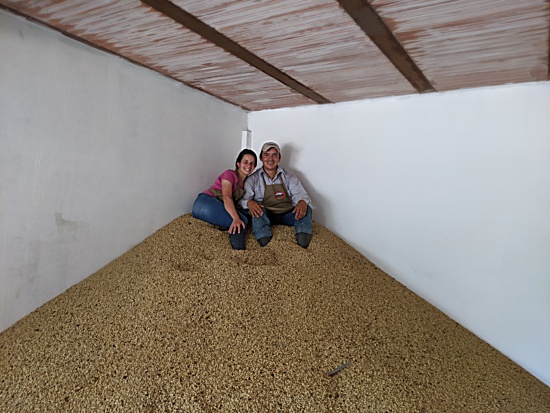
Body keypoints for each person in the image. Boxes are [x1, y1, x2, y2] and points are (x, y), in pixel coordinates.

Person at [240, 142, 313, 248]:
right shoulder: (253, 179)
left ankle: (302, 242)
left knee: (307, 208)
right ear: (261, 157)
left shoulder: (289, 176)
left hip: (287, 214)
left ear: (279, 158)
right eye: (267, 154)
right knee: (256, 212)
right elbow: (243, 200)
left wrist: (302, 201)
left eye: (275, 155)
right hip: (266, 215)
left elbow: (300, 193)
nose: (270, 159)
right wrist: (249, 202)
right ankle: (265, 241)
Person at [192, 149, 257, 250]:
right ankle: (239, 251)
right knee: (241, 220)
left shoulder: (246, 184)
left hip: (217, 207)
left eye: (252, 163)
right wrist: (236, 218)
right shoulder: (230, 174)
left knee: (244, 217)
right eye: (245, 162)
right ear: (238, 163)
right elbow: (227, 197)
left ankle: (224, 227)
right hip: (205, 203)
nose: (248, 165)